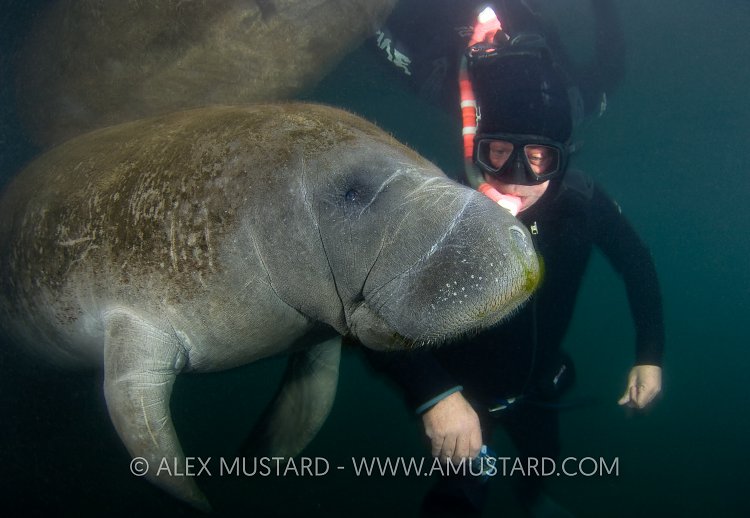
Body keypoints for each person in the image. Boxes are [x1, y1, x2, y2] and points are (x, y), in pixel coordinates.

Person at [365, 2, 664, 516]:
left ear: (563, 158)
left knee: (542, 467)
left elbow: (637, 267)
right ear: (476, 146)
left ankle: (535, 495)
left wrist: (649, 355)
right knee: (456, 500)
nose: (517, 178)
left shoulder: (582, 203)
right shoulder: (440, 208)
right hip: (459, 395)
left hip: (537, 387)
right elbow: (365, 307)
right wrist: (434, 395)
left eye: (540, 158)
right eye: (500, 152)